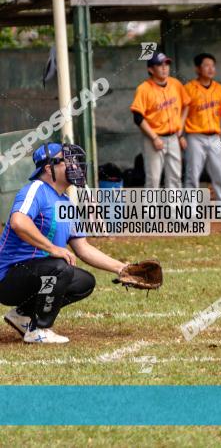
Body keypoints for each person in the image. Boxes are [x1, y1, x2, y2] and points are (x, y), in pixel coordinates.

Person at [0, 144, 129, 344]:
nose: (75, 165)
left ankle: (22, 315)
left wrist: (122, 269)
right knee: (61, 269)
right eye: (67, 160)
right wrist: (52, 248)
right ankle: (39, 330)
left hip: (39, 273)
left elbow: (83, 248)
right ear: (48, 168)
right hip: (8, 279)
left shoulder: (66, 202)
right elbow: (19, 222)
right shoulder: (36, 190)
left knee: (84, 282)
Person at [183, 53, 221, 221]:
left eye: (212, 65)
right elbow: (181, 113)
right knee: (192, 175)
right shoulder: (189, 88)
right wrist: (180, 135)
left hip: (214, 137)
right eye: (206, 65)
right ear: (197, 69)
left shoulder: (219, 88)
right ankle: (190, 211)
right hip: (195, 136)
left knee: (220, 174)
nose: (211, 69)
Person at [130, 52, 191, 188]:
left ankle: (174, 210)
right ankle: (150, 210)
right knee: (154, 180)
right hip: (154, 138)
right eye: (160, 65)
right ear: (150, 69)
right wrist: (154, 138)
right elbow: (138, 117)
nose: (164, 68)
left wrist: (180, 132)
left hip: (174, 137)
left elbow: (186, 105)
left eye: (166, 64)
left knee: (175, 178)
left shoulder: (175, 84)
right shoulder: (143, 89)